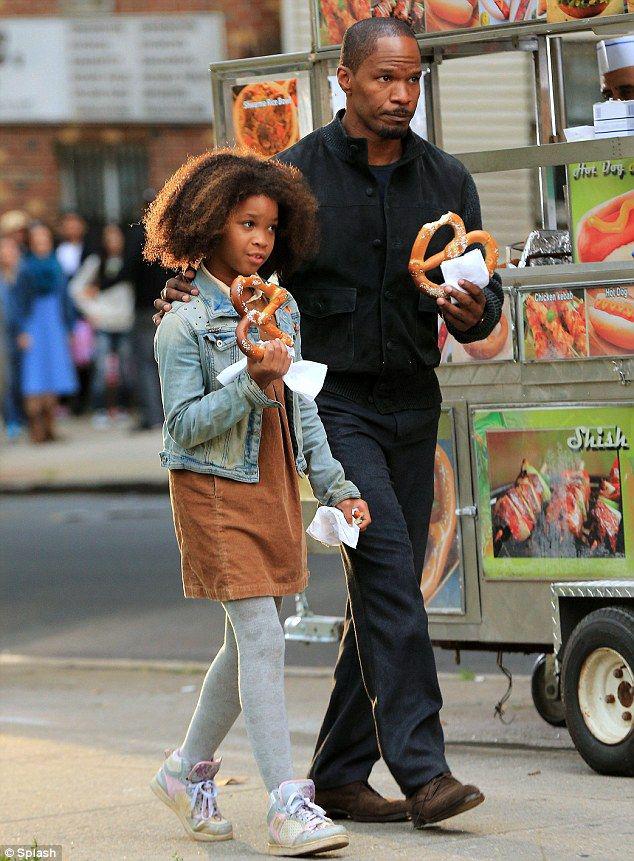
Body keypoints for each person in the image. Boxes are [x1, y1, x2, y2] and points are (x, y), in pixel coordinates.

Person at [154, 17, 504, 830]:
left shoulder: (449, 183)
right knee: (386, 570)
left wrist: (476, 305)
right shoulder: (296, 176)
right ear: (343, 79)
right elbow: (236, 280)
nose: (401, 95)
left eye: (413, 80)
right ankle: (425, 771)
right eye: (385, 79)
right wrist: (180, 292)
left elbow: (487, 321)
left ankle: (341, 771)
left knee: (385, 589)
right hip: (327, 401)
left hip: (413, 403)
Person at [145, 148, 371, 855]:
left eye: (271, 227)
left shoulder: (282, 308)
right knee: (265, 641)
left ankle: (185, 772)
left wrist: (337, 484)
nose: (262, 240)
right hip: (213, 491)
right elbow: (181, 426)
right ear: (210, 224)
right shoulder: (181, 326)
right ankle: (285, 804)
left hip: (271, 482)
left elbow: (302, 409)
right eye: (247, 223)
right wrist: (251, 382)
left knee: (243, 646)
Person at [15, 223, 78, 443]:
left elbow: (65, 298)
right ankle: (36, 430)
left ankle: (51, 428)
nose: (42, 241)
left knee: (55, 376)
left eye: (45, 236)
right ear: (31, 242)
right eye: (37, 237)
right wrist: (22, 330)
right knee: (34, 378)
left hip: (55, 323)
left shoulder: (56, 265)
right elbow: (19, 302)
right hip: (34, 324)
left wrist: (70, 327)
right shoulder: (25, 268)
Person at [69, 223, 134, 427]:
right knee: (101, 369)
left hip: (125, 321)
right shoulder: (97, 261)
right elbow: (76, 288)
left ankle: (123, 406)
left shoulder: (129, 261)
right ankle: (100, 407)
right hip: (104, 322)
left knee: (125, 368)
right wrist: (93, 310)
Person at [120, 194, 170, 431]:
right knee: (165, 362)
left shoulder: (138, 235)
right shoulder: (172, 233)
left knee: (144, 364)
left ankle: (152, 416)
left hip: (144, 308)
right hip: (171, 305)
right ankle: (167, 413)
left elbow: (127, 269)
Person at [0, 235, 24, 438]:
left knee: (24, 377)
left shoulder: (24, 275)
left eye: (10, 248)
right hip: (3, 335)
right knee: (6, 380)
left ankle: (26, 417)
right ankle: (12, 419)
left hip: (24, 333)